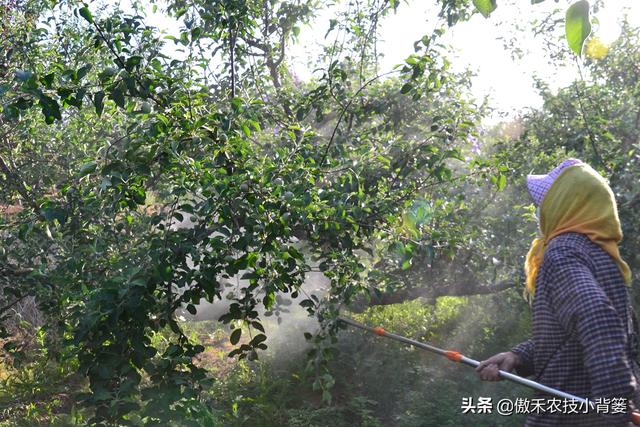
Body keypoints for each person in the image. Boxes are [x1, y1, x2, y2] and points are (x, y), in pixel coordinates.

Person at [475, 159, 640, 426]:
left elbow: (598, 318)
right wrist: (518, 356)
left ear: (563, 206)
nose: (539, 212)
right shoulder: (602, 254)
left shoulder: (563, 253)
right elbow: (572, 334)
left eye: (544, 204)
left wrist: (615, 407)